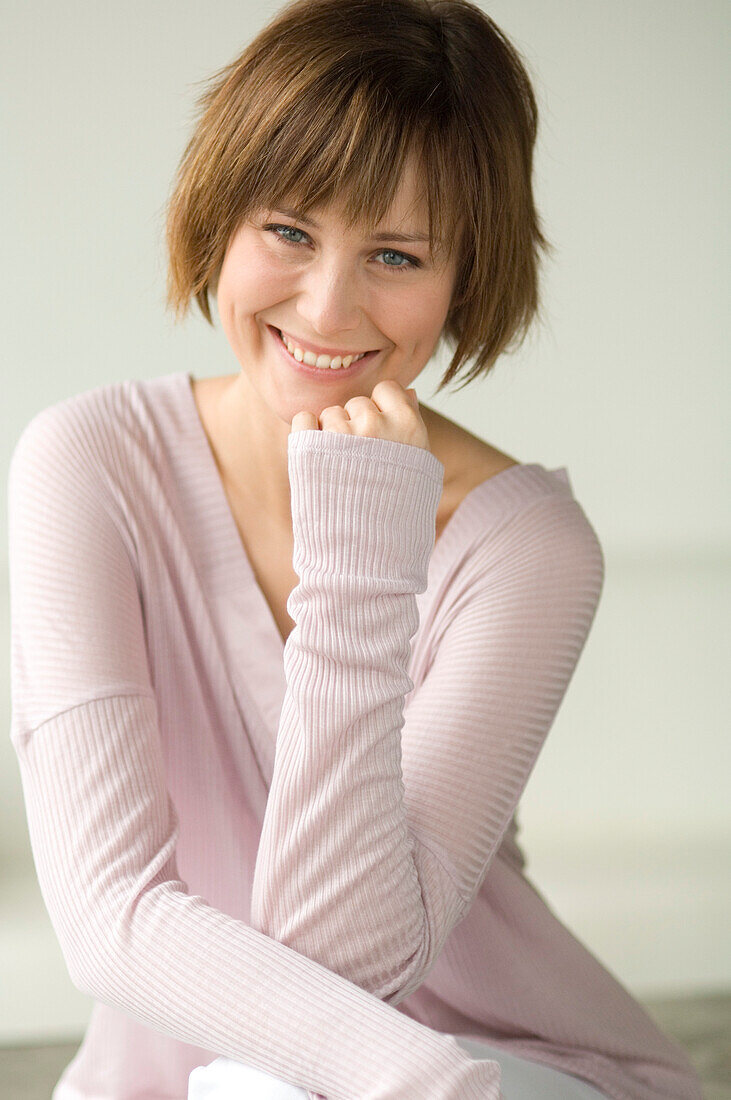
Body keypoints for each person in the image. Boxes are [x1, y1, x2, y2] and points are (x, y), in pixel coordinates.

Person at [7, 0, 703, 1098]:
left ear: (464, 275)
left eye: (395, 253)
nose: (328, 307)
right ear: (218, 219)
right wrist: (421, 1084)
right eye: (287, 230)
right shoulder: (84, 463)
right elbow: (108, 919)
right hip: (346, 1078)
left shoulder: (527, 549)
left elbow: (345, 957)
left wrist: (360, 558)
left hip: (514, 1058)